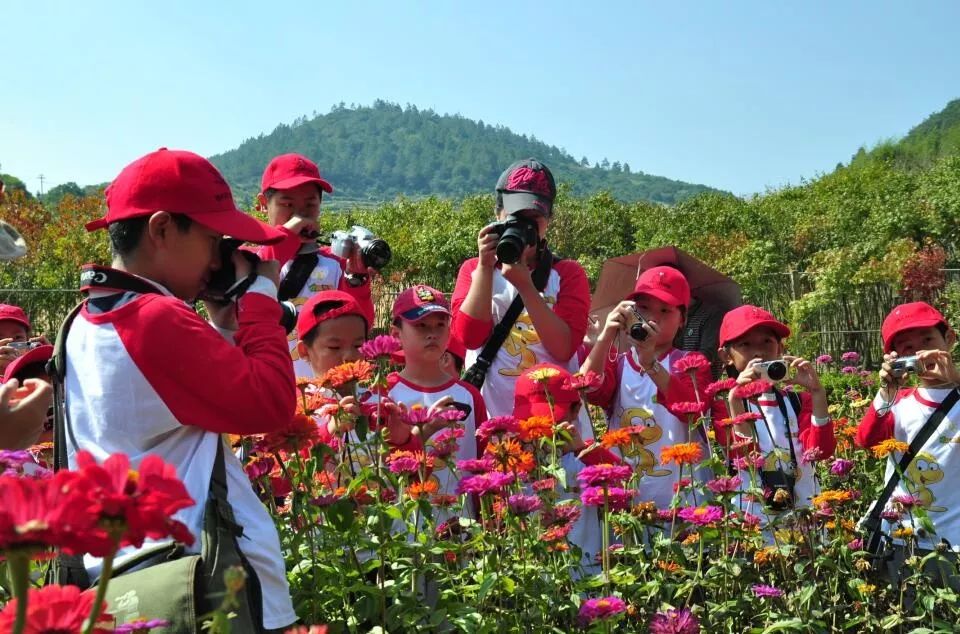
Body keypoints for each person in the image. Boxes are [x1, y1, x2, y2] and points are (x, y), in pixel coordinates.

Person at [66, 147, 297, 631]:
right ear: (162, 229)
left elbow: (175, 408)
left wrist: (222, 324)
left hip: (135, 577)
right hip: (201, 586)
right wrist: (260, 296)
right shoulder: (155, 318)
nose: (218, 258)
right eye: (213, 239)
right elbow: (271, 403)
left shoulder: (86, 319)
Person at [451, 158, 590, 415]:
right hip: (492, 419)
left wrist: (526, 287)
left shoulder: (567, 274)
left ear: (548, 220)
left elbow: (563, 348)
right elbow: (469, 338)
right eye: (516, 218)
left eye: (534, 219)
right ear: (498, 216)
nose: (525, 229)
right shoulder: (474, 270)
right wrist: (485, 267)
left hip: (555, 422)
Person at [580, 266, 712, 510]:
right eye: (643, 308)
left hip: (683, 500)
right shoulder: (618, 363)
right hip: (629, 499)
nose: (653, 318)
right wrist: (606, 335)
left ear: (682, 319)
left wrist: (650, 363)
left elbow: (693, 411)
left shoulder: (692, 363)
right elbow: (586, 388)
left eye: (665, 310)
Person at [856, 302, 960, 589]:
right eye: (908, 348)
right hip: (903, 536)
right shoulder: (899, 402)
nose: (921, 353)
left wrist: (955, 380)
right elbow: (867, 440)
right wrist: (886, 390)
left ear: (949, 339)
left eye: (928, 340)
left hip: (955, 540)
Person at [255, 154, 375, 376]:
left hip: (326, 391)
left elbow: (361, 325)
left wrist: (357, 279)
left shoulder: (337, 264)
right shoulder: (249, 260)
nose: (300, 215)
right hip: (266, 385)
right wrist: (286, 238)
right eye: (287, 204)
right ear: (263, 204)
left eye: (310, 204)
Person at [716, 305, 834, 515]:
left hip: (805, 517)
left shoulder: (799, 402)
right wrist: (735, 399)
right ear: (726, 356)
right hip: (753, 521)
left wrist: (817, 392)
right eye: (745, 344)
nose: (758, 352)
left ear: (780, 348)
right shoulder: (723, 406)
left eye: (767, 342)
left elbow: (822, 451)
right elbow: (743, 458)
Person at [383, 284, 487, 508]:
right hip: (402, 525)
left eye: (440, 325)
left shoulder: (469, 395)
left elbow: (484, 465)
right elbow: (380, 466)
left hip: (463, 524)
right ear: (396, 334)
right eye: (420, 325)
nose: (432, 334)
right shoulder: (384, 394)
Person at [0, 304, 48, 375]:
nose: (8, 346)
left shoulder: (35, 372)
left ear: (28, 342)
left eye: (17, 337)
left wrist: (51, 359)